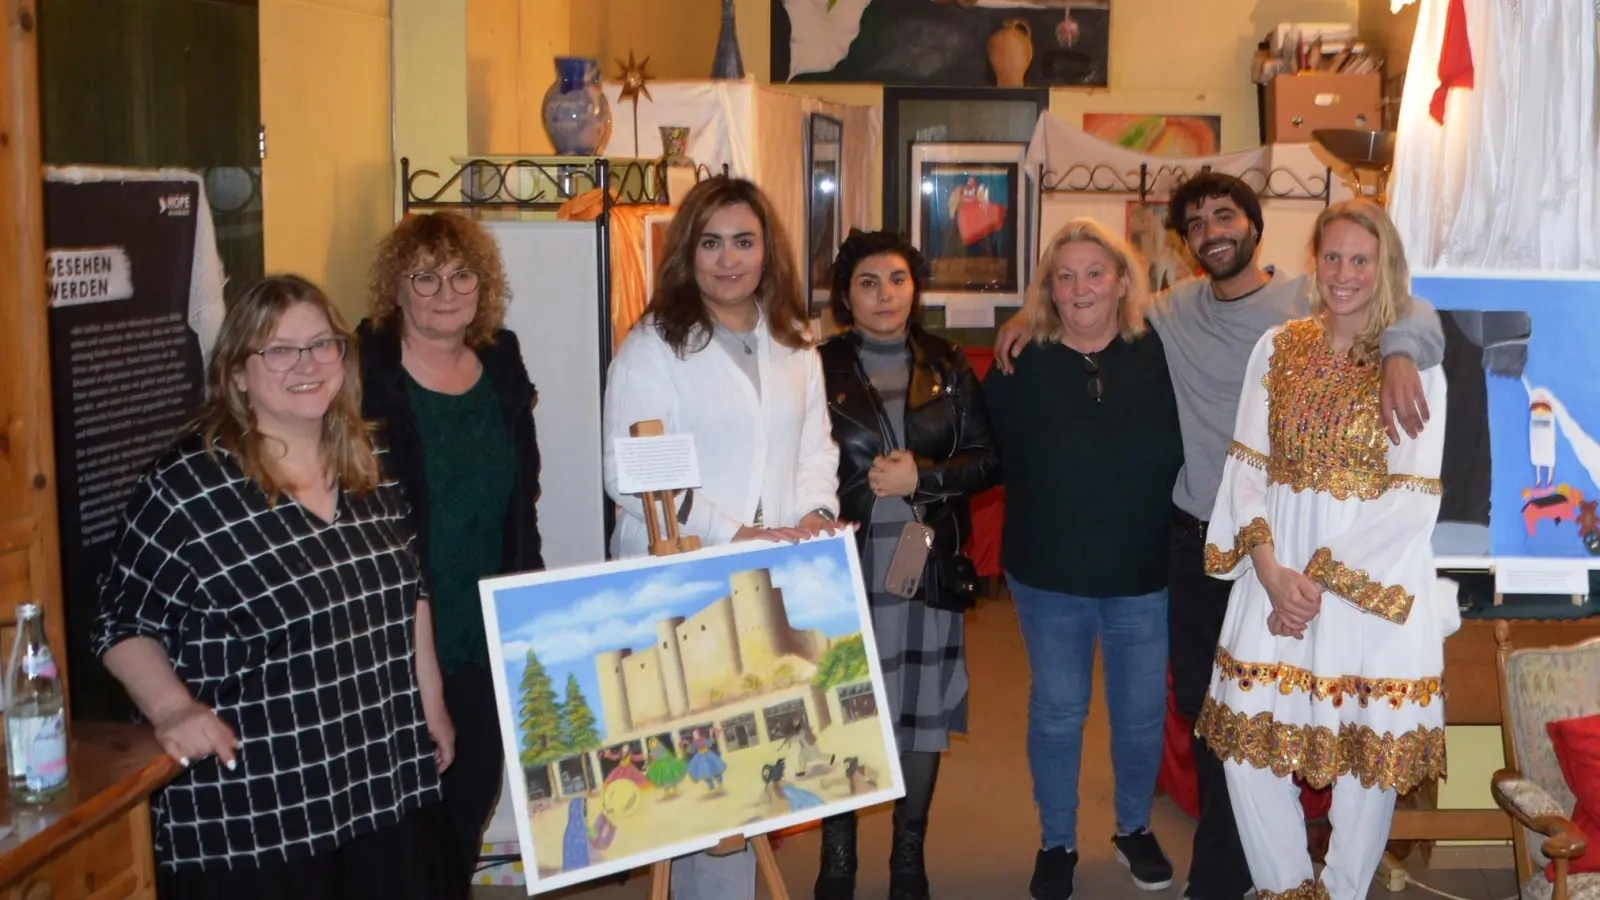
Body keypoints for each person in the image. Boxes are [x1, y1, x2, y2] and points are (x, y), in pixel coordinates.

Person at [993, 173, 1445, 900]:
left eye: (1225, 214)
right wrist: (1025, 312)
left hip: (1317, 562)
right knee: (1221, 723)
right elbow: (1083, 294)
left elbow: (1406, 303)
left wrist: (1402, 346)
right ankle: (1236, 873)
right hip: (1205, 540)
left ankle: (1263, 875)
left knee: (1323, 722)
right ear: (1184, 241)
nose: (1213, 230)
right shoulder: (1172, 313)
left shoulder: (1308, 295)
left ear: (1256, 225)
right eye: (1196, 222)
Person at [91, 275, 460, 900]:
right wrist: (172, 708)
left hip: (377, 774)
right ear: (237, 372)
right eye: (279, 350)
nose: (306, 365)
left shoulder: (367, 459)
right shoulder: (189, 488)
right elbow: (119, 622)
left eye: (322, 345)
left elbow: (409, 591)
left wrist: (433, 701)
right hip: (255, 806)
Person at [1198, 199, 1453, 900]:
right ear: (1315, 261)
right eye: (1332, 257)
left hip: (1368, 584)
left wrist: (1316, 582)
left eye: (1360, 260)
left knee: (1365, 759)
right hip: (1272, 575)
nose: (1344, 274)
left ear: (1385, 267)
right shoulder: (1277, 348)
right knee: (1246, 747)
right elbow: (1247, 466)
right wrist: (1272, 572)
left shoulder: (1414, 367)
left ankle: (1342, 892)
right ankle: (1285, 888)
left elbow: (1413, 494)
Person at [601, 175, 841, 899]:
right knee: (700, 779)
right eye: (711, 243)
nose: (729, 259)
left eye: (743, 240)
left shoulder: (796, 341)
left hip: (772, 569)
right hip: (684, 575)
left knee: (748, 777)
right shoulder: (652, 346)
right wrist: (734, 531)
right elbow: (633, 471)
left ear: (768, 249)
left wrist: (815, 514)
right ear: (687, 253)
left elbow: (814, 447)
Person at [984, 219, 1184, 900]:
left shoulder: (1163, 351)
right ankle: (1057, 842)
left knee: (1137, 714)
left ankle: (1132, 828)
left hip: (1141, 572)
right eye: (1063, 276)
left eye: (1095, 272)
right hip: (1049, 574)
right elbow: (985, 453)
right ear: (1047, 288)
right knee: (1059, 710)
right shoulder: (1020, 361)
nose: (1080, 288)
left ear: (1123, 281)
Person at [813, 229, 999, 900]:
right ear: (845, 295)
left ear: (914, 288)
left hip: (926, 565)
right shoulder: (816, 365)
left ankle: (907, 849)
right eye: (867, 282)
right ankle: (837, 857)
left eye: (896, 279)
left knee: (921, 709)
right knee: (843, 708)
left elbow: (987, 458)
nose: (884, 294)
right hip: (846, 565)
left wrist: (923, 476)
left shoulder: (948, 363)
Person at [357, 211, 544, 880]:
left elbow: (524, 499)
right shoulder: (364, 369)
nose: (445, 291)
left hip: (486, 622)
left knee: (469, 798)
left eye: (462, 273)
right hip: (395, 628)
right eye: (424, 276)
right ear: (396, 288)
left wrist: (531, 608)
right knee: (403, 820)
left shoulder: (500, 358)